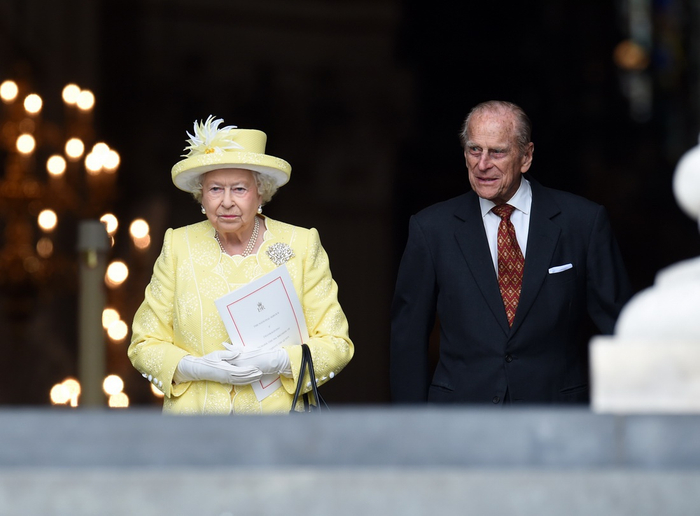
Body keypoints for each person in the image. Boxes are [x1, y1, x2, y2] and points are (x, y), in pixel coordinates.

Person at [390, 100, 632, 405]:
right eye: (474, 150)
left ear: (526, 157)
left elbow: (622, 327)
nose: (482, 164)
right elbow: (408, 338)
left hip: (555, 412)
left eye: (497, 152)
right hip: (461, 415)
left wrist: (627, 414)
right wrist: (409, 424)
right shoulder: (431, 229)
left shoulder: (582, 222)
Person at [128, 116, 354, 414]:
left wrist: (280, 362)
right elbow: (144, 344)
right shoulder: (178, 245)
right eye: (215, 189)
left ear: (261, 192)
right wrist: (196, 367)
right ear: (201, 195)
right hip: (195, 427)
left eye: (239, 189)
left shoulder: (301, 244)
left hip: (278, 427)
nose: (226, 202)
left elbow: (336, 344)